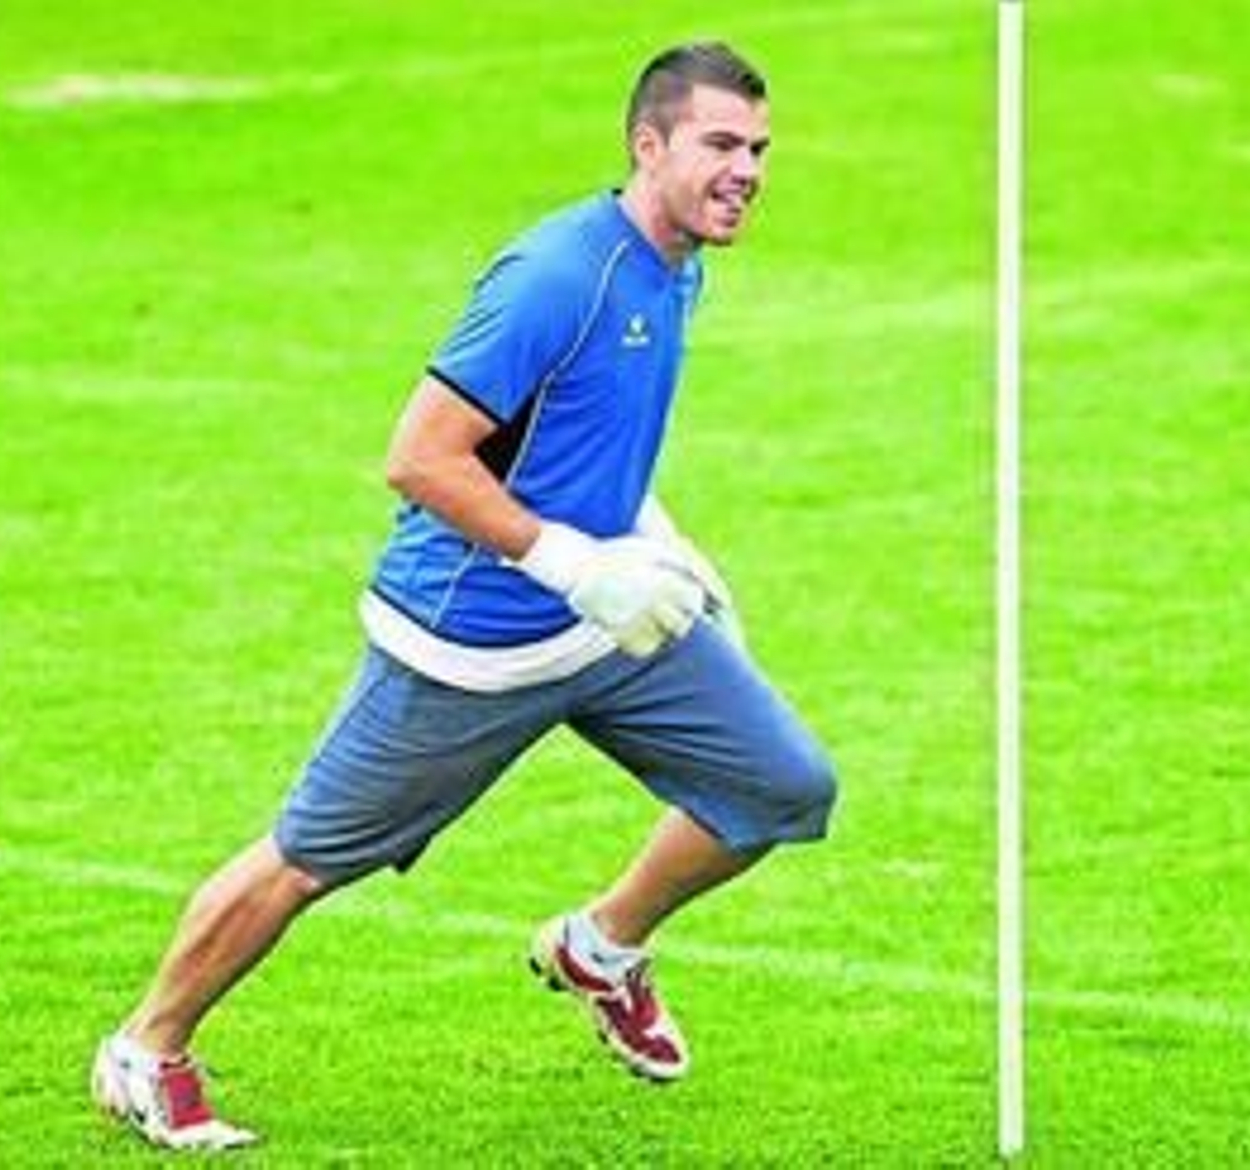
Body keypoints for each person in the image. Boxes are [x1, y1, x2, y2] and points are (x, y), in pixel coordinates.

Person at [91, 40, 837, 1151]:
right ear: (648, 145)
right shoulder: (556, 276)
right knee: (303, 861)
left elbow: (585, 438)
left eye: (759, 149)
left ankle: (602, 945)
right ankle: (144, 1049)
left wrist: (662, 543)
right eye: (721, 145)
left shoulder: (680, 263)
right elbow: (421, 457)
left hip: (602, 623)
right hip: (465, 642)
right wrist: (579, 566)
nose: (748, 171)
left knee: (781, 785)